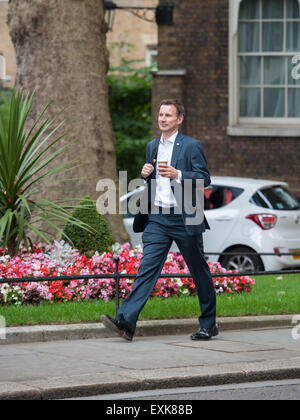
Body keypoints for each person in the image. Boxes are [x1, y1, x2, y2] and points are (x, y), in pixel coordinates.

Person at [101, 99, 218, 342]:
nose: (163, 118)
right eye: (161, 114)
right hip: (157, 217)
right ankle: (126, 322)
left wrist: (179, 174)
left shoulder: (190, 146)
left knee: (199, 271)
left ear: (179, 119)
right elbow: (154, 183)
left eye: (168, 115)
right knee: (146, 269)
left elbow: (204, 178)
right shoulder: (152, 146)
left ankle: (209, 324)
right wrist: (145, 176)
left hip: (185, 216)